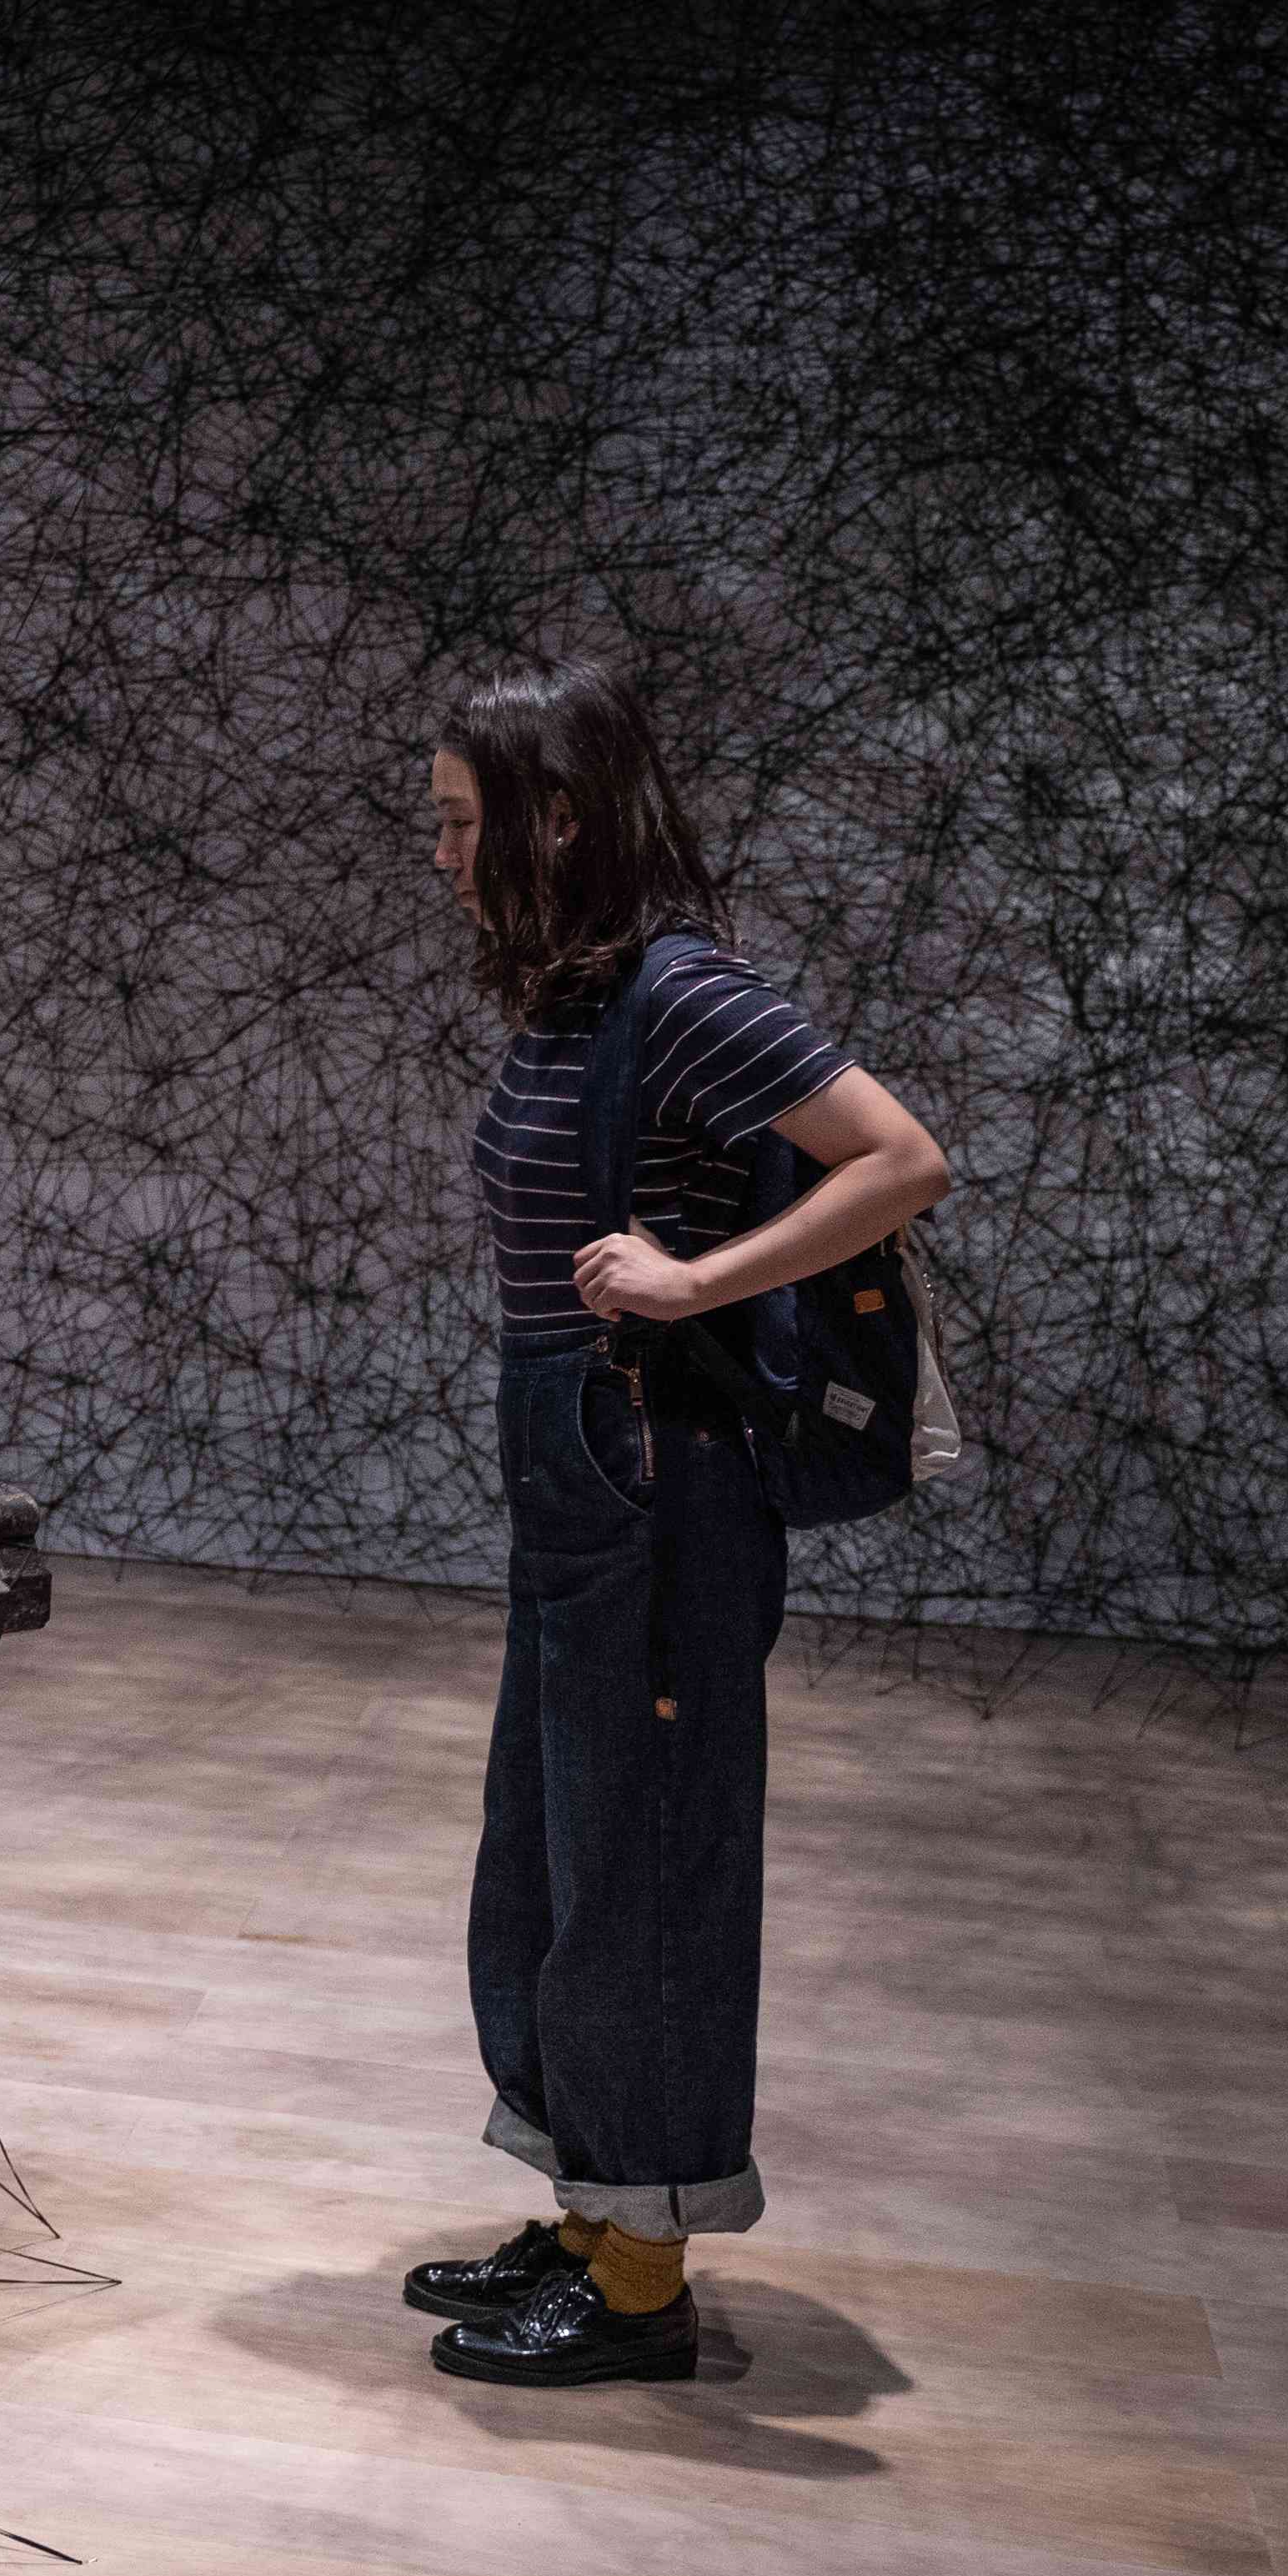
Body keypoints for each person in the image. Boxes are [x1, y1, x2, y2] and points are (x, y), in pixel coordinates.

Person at [401, 654, 949, 2384]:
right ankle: (593, 2208)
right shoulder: (578, 999)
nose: (443, 855)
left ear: (559, 818)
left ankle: (641, 2278)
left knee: (641, 1862)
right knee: (556, 1848)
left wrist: (698, 1277)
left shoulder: (686, 992)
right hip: (581, 1473)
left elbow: (901, 1158)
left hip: (660, 1479)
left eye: (463, 822)